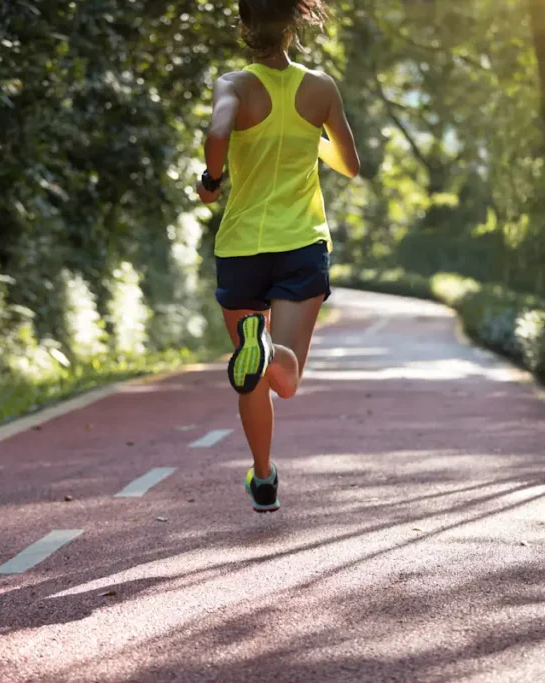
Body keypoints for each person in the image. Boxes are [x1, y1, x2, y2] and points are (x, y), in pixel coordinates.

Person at [196, 0, 360, 513]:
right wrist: (311, 138)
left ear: (245, 26)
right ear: (294, 25)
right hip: (301, 246)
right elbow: (350, 165)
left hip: (243, 247)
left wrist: (212, 181)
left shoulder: (235, 85)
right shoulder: (320, 88)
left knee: (253, 379)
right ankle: (266, 350)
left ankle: (263, 478)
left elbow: (217, 133)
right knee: (283, 379)